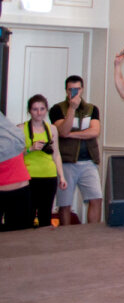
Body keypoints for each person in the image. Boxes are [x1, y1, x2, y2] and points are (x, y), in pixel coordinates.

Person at [49, 75, 102, 225]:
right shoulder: (57, 109)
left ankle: (93, 234)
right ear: (66, 91)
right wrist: (71, 109)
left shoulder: (92, 109)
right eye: (71, 90)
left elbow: (94, 131)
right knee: (65, 203)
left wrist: (70, 134)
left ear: (82, 89)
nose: (74, 93)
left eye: (77, 89)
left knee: (96, 198)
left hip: (88, 161)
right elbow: (62, 131)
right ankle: (67, 237)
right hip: (66, 162)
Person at [23, 94, 65, 227]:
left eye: (42, 109)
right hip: (29, 176)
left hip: (49, 176)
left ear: (46, 110)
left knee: (45, 215)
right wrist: (31, 148)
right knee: (27, 215)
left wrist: (62, 176)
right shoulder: (20, 129)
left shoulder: (52, 129)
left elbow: (56, 154)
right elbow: (15, 154)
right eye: (35, 109)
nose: (39, 112)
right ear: (29, 111)